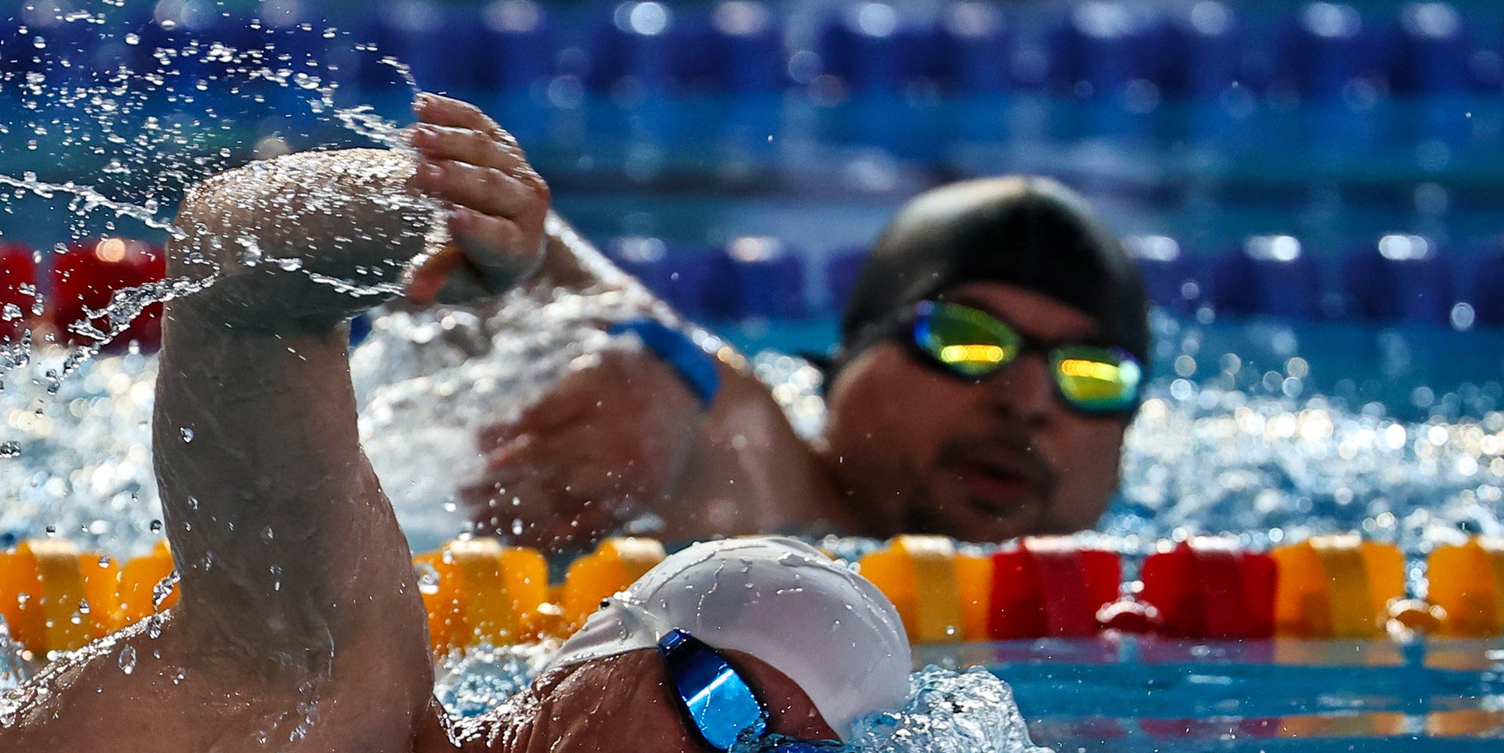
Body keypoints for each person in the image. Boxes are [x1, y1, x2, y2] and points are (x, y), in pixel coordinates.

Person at [0, 95, 912, 753]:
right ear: (596, 646)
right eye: (718, 703)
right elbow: (233, 260)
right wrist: (428, 214)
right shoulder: (330, 679)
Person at [458, 176, 1152, 551]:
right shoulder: (755, 477)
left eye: (1092, 374)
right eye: (966, 339)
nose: (1027, 399)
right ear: (851, 361)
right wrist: (660, 366)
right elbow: (453, 220)